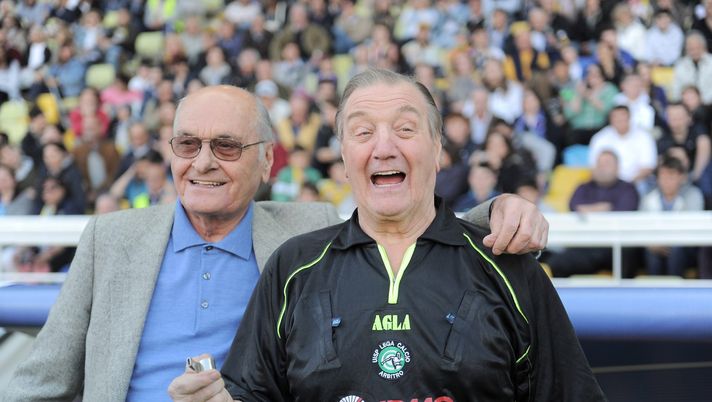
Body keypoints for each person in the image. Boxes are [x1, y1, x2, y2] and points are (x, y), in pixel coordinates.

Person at [5, 85, 548, 401]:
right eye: (187, 144)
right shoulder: (111, 238)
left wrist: (499, 210)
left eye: (226, 145)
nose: (203, 162)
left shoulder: (301, 231)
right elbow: (41, 381)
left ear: (267, 161)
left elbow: (398, 224)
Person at [169, 71, 600, 401]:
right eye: (362, 132)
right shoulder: (294, 267)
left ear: (438, 149)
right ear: (343, 155)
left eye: (406, 129)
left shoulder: (508, 266)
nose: (384, 147)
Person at [546, 150, 640, 278]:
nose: (601, 168)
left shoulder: (627, 188)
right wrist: (605, 208)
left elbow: (625, 211)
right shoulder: (584, 187)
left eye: (607, 164)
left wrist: (589, 210)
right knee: (557, 262)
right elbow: (574, 206)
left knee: (628, 254)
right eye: (599, 163)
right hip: (586, 244)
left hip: (615, 246)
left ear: (617, 168)